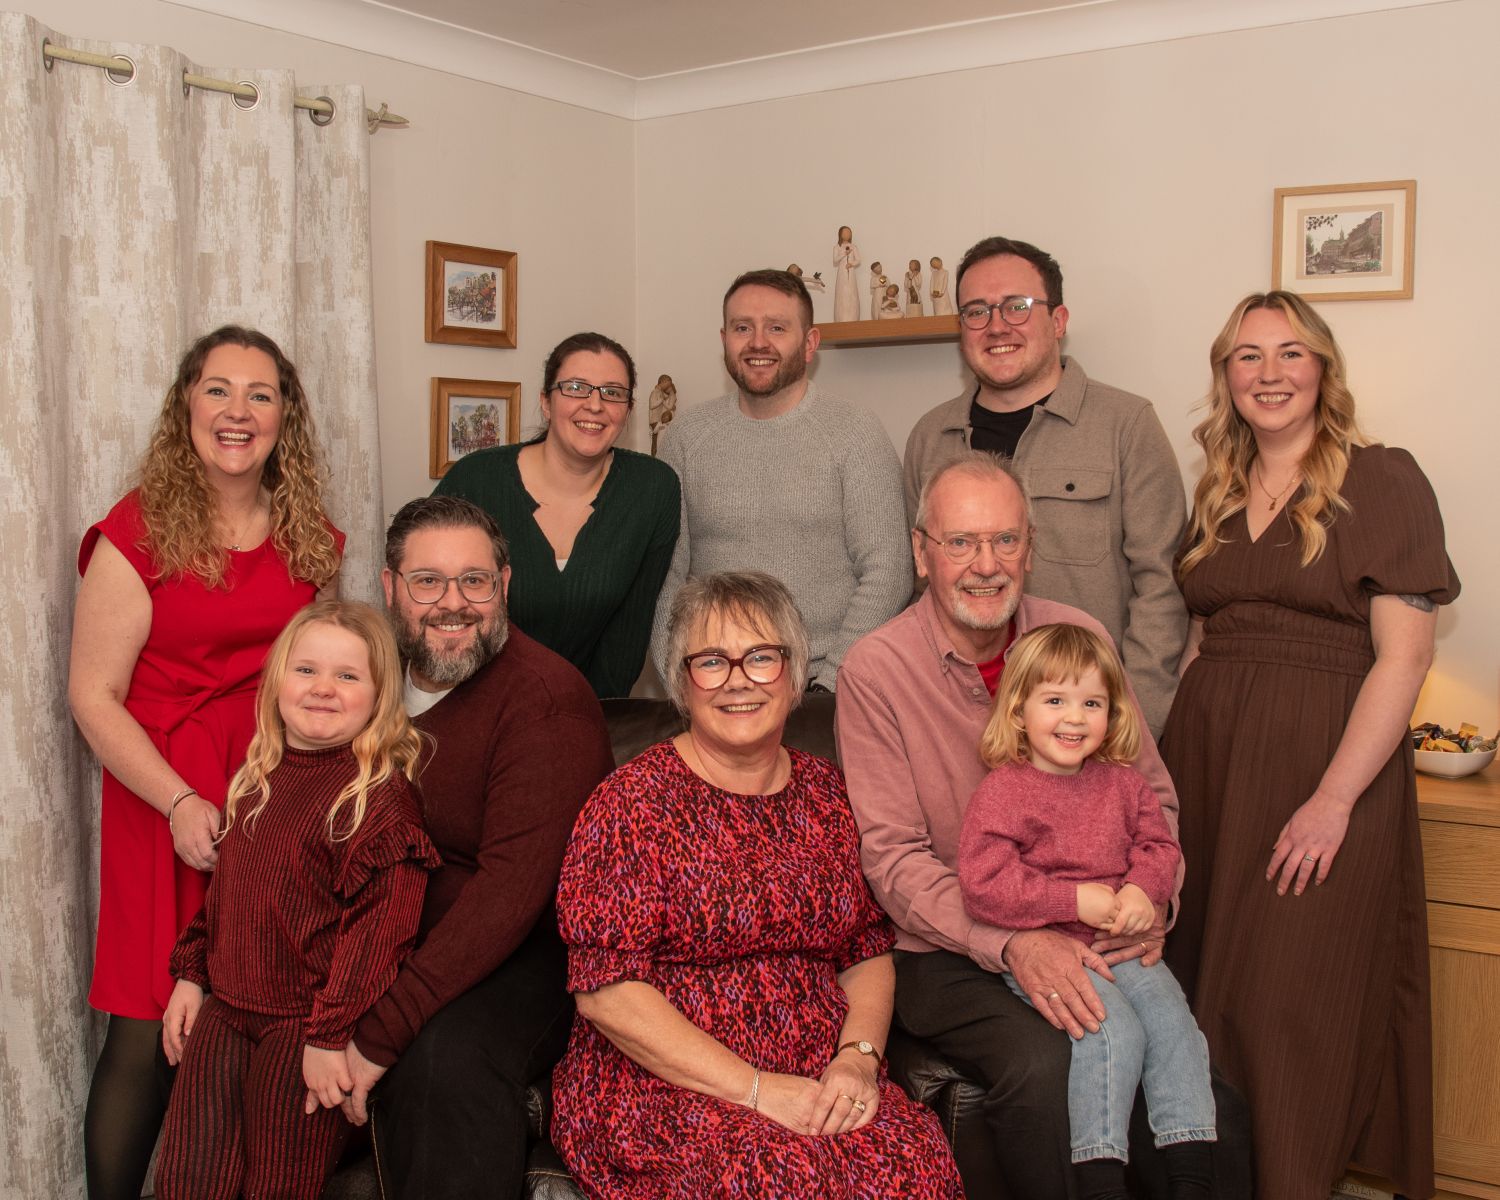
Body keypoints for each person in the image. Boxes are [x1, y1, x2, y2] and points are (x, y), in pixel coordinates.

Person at [836, 451, 1251, 1199]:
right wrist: (1013, 942)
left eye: (1004, 541)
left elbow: (1151, 796)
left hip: (1098, 931)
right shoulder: (877, 670)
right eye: (960, 542)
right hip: (949, 947)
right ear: (920, 551)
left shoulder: (1077, 635)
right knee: (1048, 1065)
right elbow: (895, 862)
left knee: (1202, 1086)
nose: (985, 564)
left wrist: (1153, 900)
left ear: (1030, 547)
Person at [1162, 291, 1458, 1200]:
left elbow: (1401, 662)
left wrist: (1332, 802)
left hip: (1324, 775)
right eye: (1247, 357)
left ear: (1323, 370)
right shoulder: (1214, 487)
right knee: (1198, 997)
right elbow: (1199, 646)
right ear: (1227, 378)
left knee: (1292, 1008)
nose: (1269, 373)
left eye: (1291, 353)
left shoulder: (1383, 479)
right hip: (1208, 774)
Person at [553, 572, 963, 1198]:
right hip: (664, 1087)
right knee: (776, 1175)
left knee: (913, 1162)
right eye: (712, 661)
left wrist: (857, 1058)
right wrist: (754, 1088)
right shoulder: (631, 804)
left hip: (815, 1073)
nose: (739, 679)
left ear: (794, 676)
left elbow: (865, 950)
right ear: (681, 681)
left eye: (761, 657)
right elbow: (608, 993)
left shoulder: (831, 795)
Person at [69, 326, 343, 1200]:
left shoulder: (312, 539)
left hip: (270, 795)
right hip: (165, 798)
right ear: (185, 406)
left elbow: (326, 677)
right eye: (217, 389)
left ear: (284, 416)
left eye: (260, 394)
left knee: (241, 1019)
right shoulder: (137, 530)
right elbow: (92, 697)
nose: (237, 411)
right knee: (148, 1025)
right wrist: (181, 801)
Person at [340, 495, 614, 1200]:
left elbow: (509, 894)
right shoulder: (359, 682)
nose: (452, 604)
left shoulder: (545, 700)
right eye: (428, 581)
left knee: (443, 1060)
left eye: (475, 582)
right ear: (390, 587)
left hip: (523, 954)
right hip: (387, 936)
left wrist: (384, 1028)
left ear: (505, 586)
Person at [154, 602, 439, 1200]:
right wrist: (190, 976)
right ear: (278, 679)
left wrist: (329, 1036)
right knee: (188, 1178)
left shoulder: (378, 801)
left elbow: (379, 938)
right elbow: (227, 895)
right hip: (225, 1014)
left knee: (278, 1186)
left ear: (379, 695)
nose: (323, 690)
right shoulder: (259, 776)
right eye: (306, 670)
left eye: (347, 676)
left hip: (302, 1028)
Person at [959, 623, 1215, 1200]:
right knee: (1111, 1031)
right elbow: (983, 884)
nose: (1074, 718)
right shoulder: (1003, 792)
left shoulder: (1124, 786)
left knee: (1175, 1026)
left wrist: (1142, 893)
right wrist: (1072, 899)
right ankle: (1101, 1179)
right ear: (1019, 710)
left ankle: (1192, 1175)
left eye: (1091, 703)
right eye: (1055, 700)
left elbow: (1159, 847)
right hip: (1052, 946)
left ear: (1112, 713)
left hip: (1120, 943)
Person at [902, 236, 1187, 735]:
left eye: (1017, 307)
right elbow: (918, 587)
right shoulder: (930, 436)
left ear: (1058, 321)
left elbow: (1160, 590)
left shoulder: (1127, 425)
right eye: (976, 312)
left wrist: (1129, 728)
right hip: (957, 726)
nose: (996, 327)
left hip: (1084, 729)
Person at [650, 269, 911, 691]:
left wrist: (832, 683)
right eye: (742, 328)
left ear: (810, 344)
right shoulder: (686, 436)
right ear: (724, 340)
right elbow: (667, 576)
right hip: (712, 686)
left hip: (820, 688)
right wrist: (678, 679)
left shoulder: (856, 433)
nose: (757, 342)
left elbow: (889, 572)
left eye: (776, 327)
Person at [434, 332, 680, 697]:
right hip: (468, 699)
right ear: (546, 403)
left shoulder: (652, 489)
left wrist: (588, 721)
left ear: (627, 411)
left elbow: (628, 633)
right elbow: (429, 603)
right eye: (576, 387)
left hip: (584, 709)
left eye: (612, 392)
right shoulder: (476, 480)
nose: (595, 405)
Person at [834, 225, 862, 320]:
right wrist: (844, 253)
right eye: (845, 232)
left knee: (851, 293)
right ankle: (841, 318)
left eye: (849, 232)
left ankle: (853, 317)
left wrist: (851, 264)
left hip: (851, 273)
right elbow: (835, 260)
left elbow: (858, 260)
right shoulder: (837, 247)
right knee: (842, 294)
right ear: (840, 235)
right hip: (842, 273)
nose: (847, 234)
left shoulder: (854, 247)